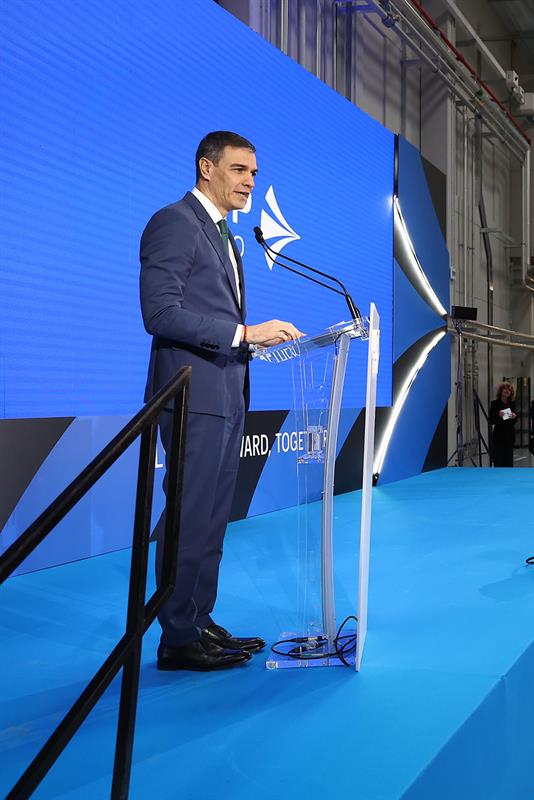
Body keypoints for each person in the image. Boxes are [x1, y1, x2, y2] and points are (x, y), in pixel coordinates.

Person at [140, 131, 303, 672]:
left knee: (212, 518)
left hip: (227, 396)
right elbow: (159, 315)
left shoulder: (227, 237)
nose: (249, 182)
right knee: (190, 513)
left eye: (254, 173)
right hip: (191, 396)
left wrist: (245, 343)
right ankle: (177, 636)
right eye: (239, 171)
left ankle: (198, 619)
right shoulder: (174, 223)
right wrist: (244, 334)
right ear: (206, 168)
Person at [488, 381, 518, 467]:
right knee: (499, 459)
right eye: (505, 389)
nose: (507, 391)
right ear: (501, 391)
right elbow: (491, 420)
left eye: (509, 389)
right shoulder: (494, 404)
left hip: (509, 434)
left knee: (509, 460)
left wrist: (515, 416)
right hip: (499, 435)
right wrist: (498, 415)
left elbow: (515, 419)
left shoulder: (512, 404)